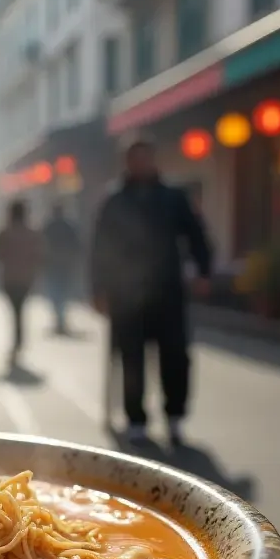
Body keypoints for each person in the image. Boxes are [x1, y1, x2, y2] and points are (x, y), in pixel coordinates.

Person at [90, 136, 212, 446]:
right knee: (131, 358)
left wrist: (203, 269)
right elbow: (99, 248)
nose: (141, 164)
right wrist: (98, 288)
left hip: (167, 290)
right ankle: (136, 419)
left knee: (175, 356)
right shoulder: (114, 200)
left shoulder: (173, 197)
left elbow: (196, 234)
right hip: (125, 294)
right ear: (127, 162)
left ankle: (174, 415)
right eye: (135, 158)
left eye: (146, 157)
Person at [0, 200, 44, 367]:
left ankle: (18, 342)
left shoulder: (4, 233)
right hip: (26, 279)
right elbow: (40, 255)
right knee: (19, 311)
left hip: (9, 279)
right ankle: (19, 341)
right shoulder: (32, 233)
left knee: (16, 311)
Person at [43, 201, 82, 335]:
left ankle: (59, 319)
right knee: (62, 293)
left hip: (55, 265)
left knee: (56, 293)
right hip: (63, 265)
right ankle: (60, 319)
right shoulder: (68, 226)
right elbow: (77, 245)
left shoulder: (49, 226)